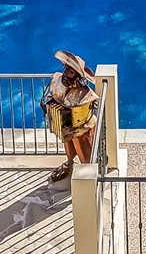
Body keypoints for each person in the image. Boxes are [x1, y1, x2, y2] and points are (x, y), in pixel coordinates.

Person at [40, 51, 102, 182]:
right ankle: (70, 164)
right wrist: (48, 109)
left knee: (86, 156)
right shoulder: (58, 82)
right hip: (66, 131)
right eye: (67, 70)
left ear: (78, 76)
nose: (67, 74)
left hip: (81, 129)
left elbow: (87, 110)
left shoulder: (84, 94)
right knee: (69, 150)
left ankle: (90, 178)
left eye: (71, 72)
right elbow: (55, 98)